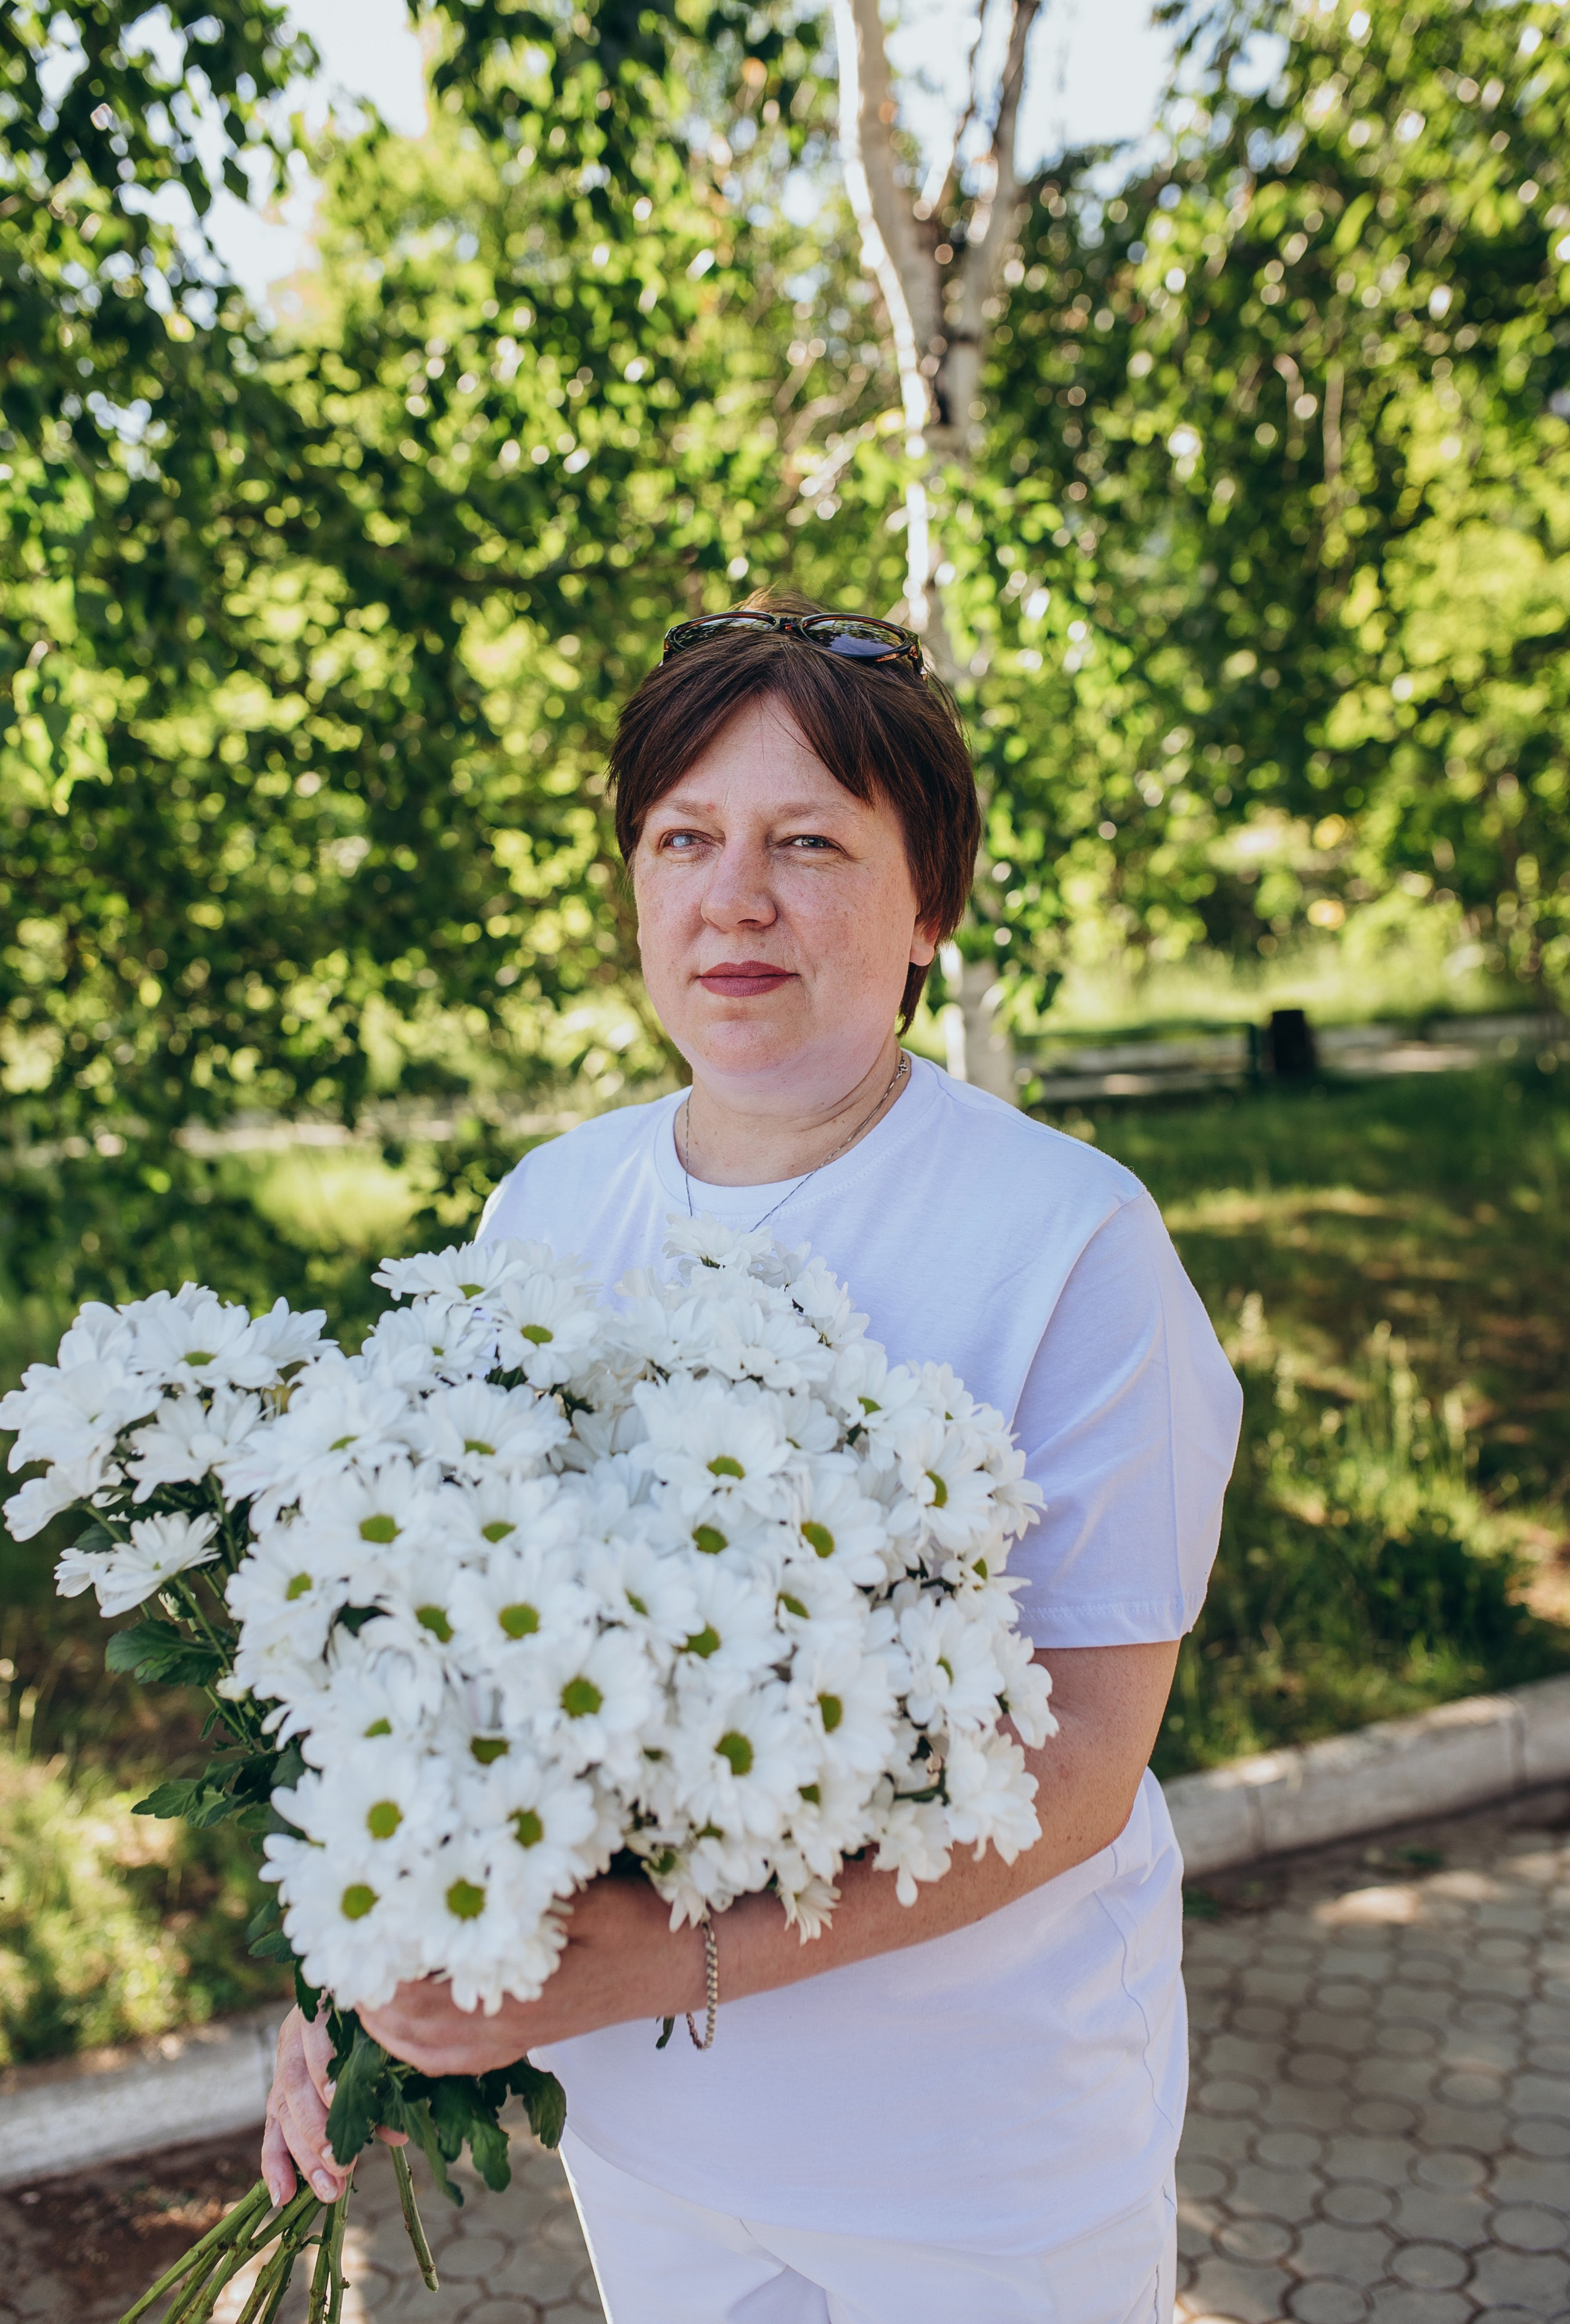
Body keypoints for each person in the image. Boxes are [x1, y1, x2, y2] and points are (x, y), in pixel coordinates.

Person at [262, 592, 1242, 2323]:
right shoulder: (548, 1210)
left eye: (810, 842)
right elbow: (427, 1655)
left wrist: (658, 1954)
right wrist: (356, 1963)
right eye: (685, 838)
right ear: (634, 884)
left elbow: (1087, 1764)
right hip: (653, 2136)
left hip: (977, 2158)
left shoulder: (1069, 1240)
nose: (736, 897)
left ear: (926, 901)